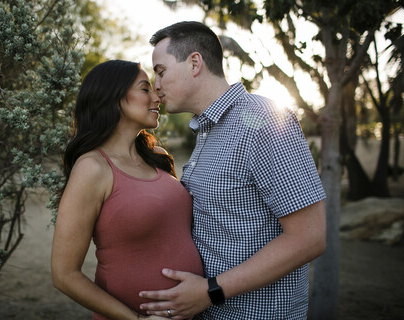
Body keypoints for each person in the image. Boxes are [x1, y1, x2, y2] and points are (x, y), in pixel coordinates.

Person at [138, 21, 327, 319]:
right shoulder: (206, 129)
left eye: (160, 71)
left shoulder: (262, 121)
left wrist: (210, 291)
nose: (156, 84)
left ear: (195, 63)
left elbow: (310, 237)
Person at [51, 59, 204, 320]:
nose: (157, 97)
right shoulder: (92, 168)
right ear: (113, 97)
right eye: (145, 89)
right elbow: (64, 275)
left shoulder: (157, 156)